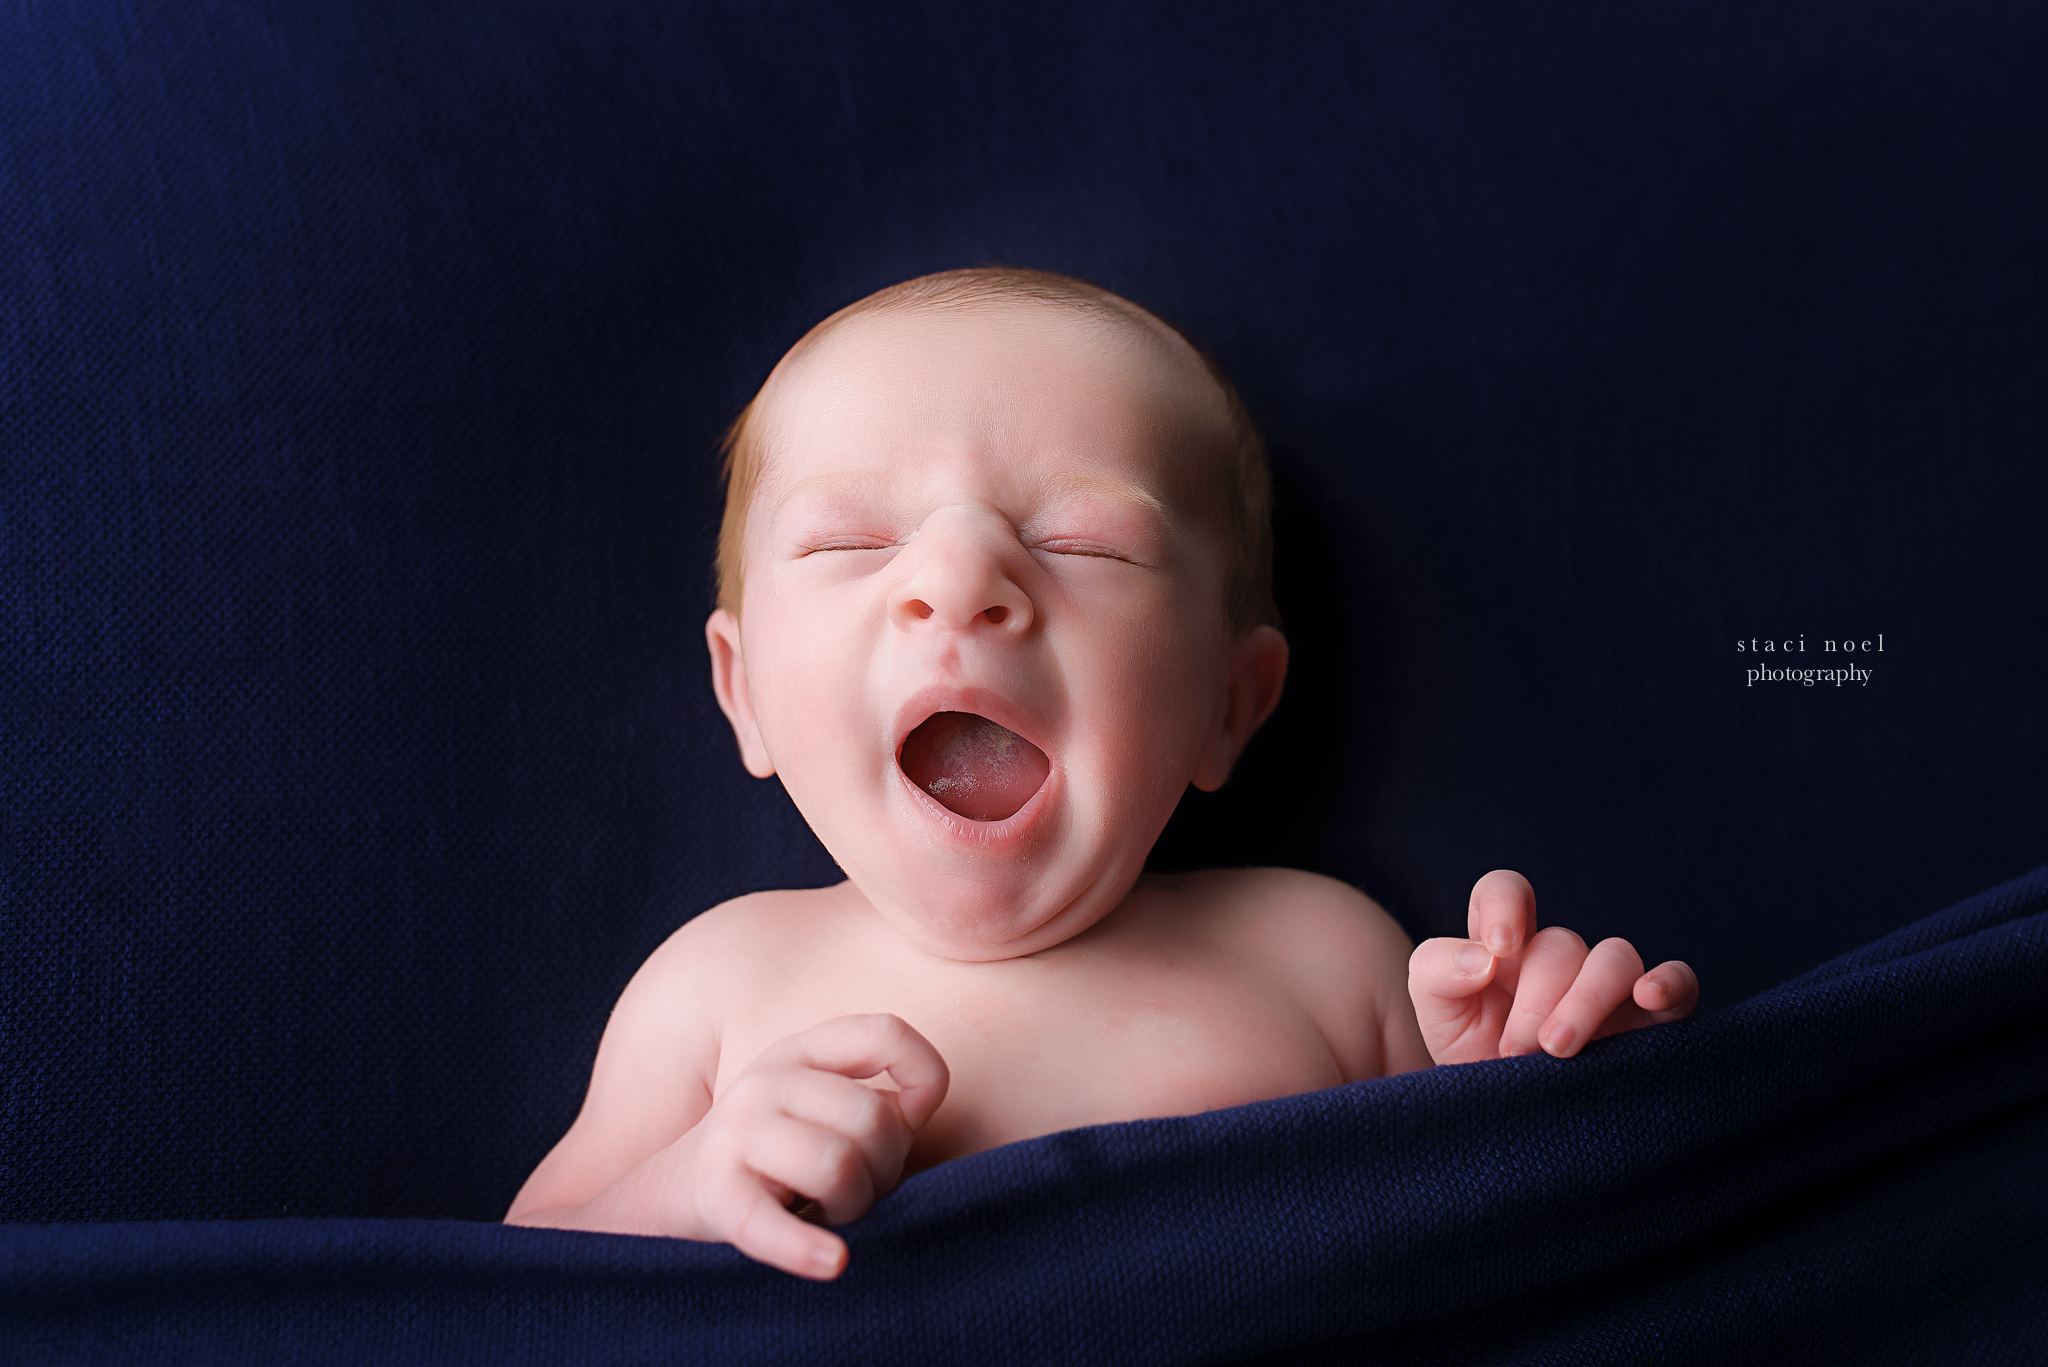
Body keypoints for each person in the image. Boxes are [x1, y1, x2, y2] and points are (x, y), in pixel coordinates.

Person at [504, 268, 1698, 1279]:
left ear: (1229, 704)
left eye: (1082, 542)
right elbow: (508, 1288)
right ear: (745, 691)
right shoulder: (717, 984)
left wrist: (1529, 1078)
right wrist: (681, 1190)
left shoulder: (1320, 956)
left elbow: (1491, 1256)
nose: (957, 578)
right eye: (850, 541)